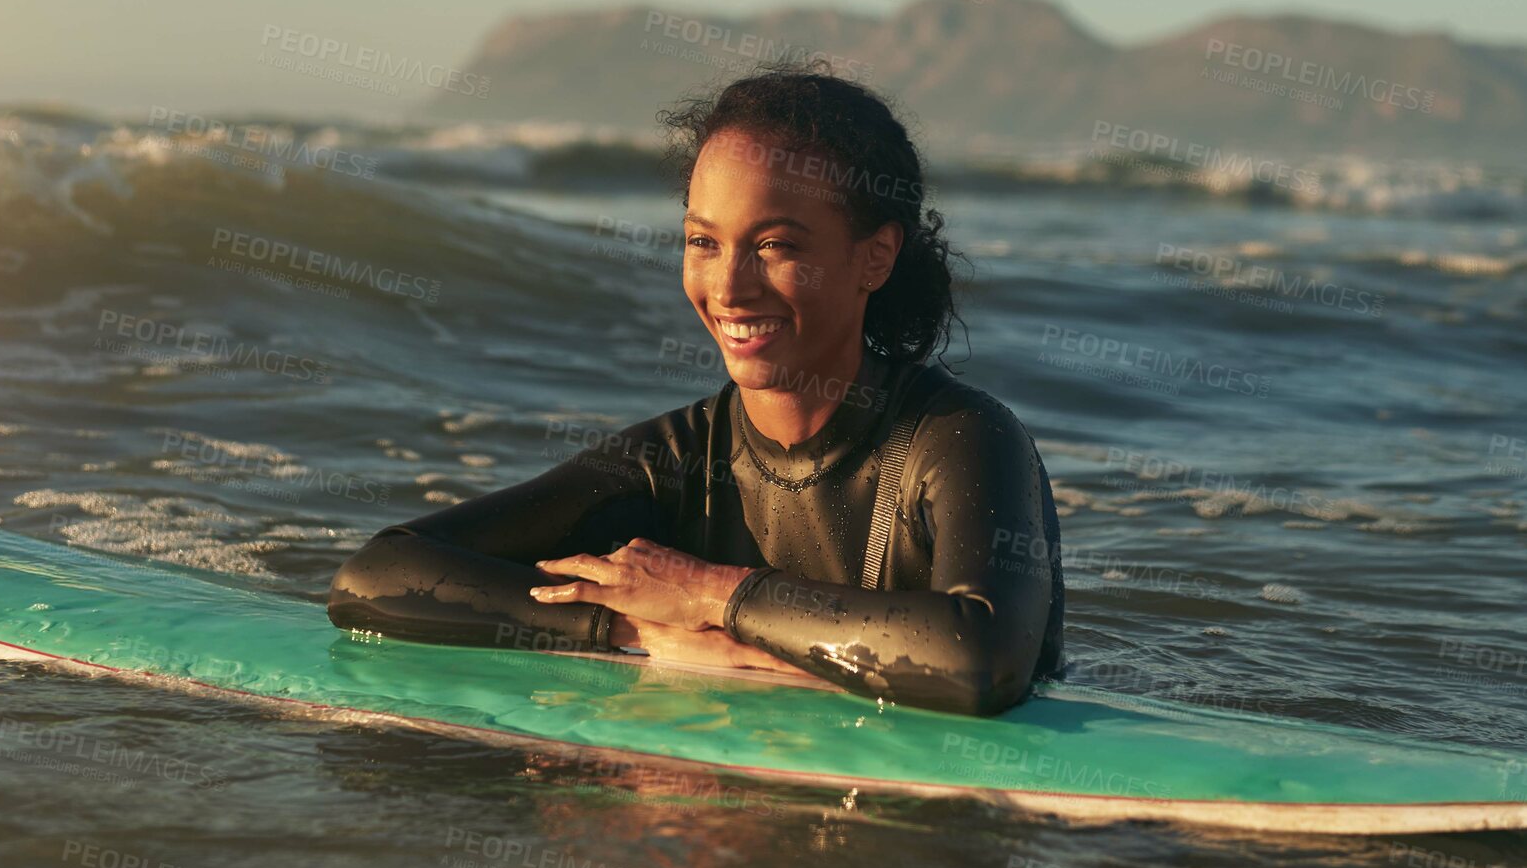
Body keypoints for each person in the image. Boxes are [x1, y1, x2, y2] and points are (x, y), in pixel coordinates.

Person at [329, 61, 1063, 716]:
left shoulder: (959, 438)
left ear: (874, 257)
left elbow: (983, 659)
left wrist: (712, 593)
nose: (729, 286)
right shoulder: (676, 458)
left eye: (774, 246)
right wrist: (642, 629)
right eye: (702, 242)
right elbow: (377, 575)